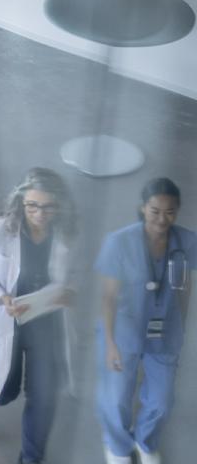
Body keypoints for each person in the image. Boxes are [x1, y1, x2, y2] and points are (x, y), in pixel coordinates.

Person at [0, 168, 77, 464]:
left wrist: (69, 292)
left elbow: (72, 275)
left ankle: (30, 458)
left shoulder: (65, 233)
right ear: (21, 202)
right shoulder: (0, 230)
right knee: (4, 391)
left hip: (47, 322)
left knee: (44, 398)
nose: (40, 214)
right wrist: (3, 297)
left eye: (48, 207)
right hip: (10, 321)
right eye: (32, 206)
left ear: (59, 205)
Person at [96, 178, 195, 464]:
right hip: (124, 330)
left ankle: (145, 441)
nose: (162, 219)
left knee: (162, 401)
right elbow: (108, 297)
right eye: (155, 211)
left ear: (178, 210)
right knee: (116, 397)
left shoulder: (188, 241)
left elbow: (184, 287)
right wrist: (110, 343)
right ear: (143, 208)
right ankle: (117, 446)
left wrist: (180, 327)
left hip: (166, 331)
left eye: (170, 212)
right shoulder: (119, 242)